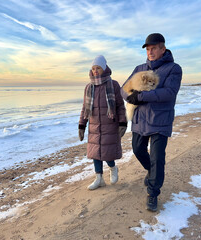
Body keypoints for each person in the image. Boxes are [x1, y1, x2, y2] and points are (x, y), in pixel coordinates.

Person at [121, 33, 182, 211]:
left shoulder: (173, 68)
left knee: (157, 158)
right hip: (140, 119)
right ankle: (152, 172)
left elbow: (170, 93)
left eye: (154, 48)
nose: (150, 51)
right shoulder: (139, 68)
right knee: (138, 150)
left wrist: (141, 96)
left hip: (160, 120)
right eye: (148, 49)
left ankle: (153, 193)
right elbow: (123, 89)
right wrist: (130, 97)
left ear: (163, 49)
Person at [79, 55, 127, 190]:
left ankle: (113, 168)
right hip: (94, 125)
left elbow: (119, 105)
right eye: (93, 68)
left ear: (104, 68)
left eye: (98, 68)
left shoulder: (114, 84)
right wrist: (82, 125)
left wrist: (123, 122)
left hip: (110, 124)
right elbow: (84, 107)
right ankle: (99, 179)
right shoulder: (89, 87)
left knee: (107, 152)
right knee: (95, 152)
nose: (95, 71)